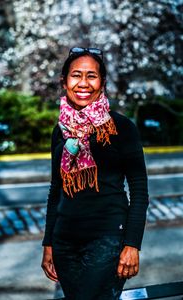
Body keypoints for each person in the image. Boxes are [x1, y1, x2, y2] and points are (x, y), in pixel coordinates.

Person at [41, 47, 149, 300]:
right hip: (65, 243)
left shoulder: (121, 127)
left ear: (102, 82)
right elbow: (55, 191)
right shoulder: (60, 131)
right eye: (76, 75)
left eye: (92, 76)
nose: (83, 83)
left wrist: (132, 244)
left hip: (107, 239)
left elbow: (140, 190)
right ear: (64, 81)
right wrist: (48, 244)